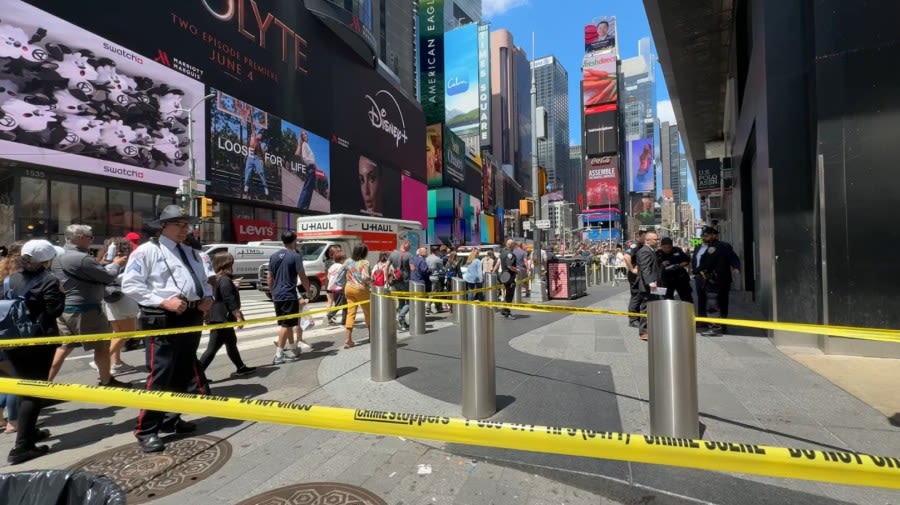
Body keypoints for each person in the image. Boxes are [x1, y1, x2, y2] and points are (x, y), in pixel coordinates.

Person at [122, 205, 214, 453]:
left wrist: (207, 298)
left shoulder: (192, 252)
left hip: (190, 315)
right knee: (161, 375)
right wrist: (162, 301)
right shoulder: (146, 251)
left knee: (182, 372)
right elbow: (130, 285)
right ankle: (146, 430)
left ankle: (171, 419)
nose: (185, 229)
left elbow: (203, 281)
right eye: (179, 224)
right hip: (163, 316)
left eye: (187, 225)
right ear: (164, 226)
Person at [2, 240, 65, 464]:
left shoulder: (11, 278)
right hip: (38, 341)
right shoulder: (49, 280)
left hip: (12, 339)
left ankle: (28, 432)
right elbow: (55, 310)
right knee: (34, 390)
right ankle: (22, 447)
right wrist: (60, 293)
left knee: (24, 387)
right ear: (47, 260)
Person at [49, 224, 130, 387]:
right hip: (86, 309)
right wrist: (116, 264)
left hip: (66, 308)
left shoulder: (59, 256)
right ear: (80, 238)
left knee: (64, 346)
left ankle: (44, 382)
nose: (91, 241)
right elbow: (107, 277)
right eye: (90, 237)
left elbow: (91, 273)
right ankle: (106, 380)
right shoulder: (81, 258)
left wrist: (104, 263)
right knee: (101, 346)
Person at [199, 252, 255, 378]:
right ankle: (196, 375)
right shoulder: (224, 279)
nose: (232, 266)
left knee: (230, 342)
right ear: (227, 264)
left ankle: (241, 367)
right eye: (231, 263)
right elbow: (228, 298)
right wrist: (238, 315)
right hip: (221, 318)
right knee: (212, 348)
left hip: (217, 316)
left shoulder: (216, 278)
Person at [96, 236, 140, 376]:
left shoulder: (104, 259)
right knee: (128, 332)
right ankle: (102, 360)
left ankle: (116, 362)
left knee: (118, 332)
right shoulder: (119, 260)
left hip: (112, 299)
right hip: (122, 298)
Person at [268, 231, 310, 365]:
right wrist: (308, 291)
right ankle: (279, 354)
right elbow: (302, 276)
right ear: (294, 241)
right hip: (289, 294)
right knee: (286, 325)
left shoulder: (273, 256)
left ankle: (292, 348)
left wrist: (272, 292)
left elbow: (269, 277)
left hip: (278, 295)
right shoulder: (295, 256)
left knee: (288, 323)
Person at [692, 226, 740, 336]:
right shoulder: (721, 246)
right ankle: (721, 326)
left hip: (714, 281)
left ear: (714, 235)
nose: (704, 238)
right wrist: (736, 268)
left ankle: (715, 328)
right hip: (720, 280)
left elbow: (706, 264)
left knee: (713, 304)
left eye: (706, 236)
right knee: (721, 303)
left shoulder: (715, 247)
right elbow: (733, 258)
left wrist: (695, 271)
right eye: (703, 236)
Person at [343, 245, 371, 349]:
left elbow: (341, 273)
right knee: (368, 312)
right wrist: (371, 281)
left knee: (350, 313)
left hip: (348, 288)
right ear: (364, 253)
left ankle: (347, 340)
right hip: (360, 289)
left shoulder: (348, 261)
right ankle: (372, 336)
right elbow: (365, 277)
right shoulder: (364, 262)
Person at [636, 231, 662, 341]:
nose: (657, 241)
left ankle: (650, 329)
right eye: (655, 239)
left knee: (652, 307)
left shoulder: (650, 250)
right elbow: (645, 268)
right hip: (648, 285)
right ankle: (644, 332)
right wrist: (650, 282)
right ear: (647, 240)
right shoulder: (644, 251)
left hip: (653, 284)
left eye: (657, 239)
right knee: (646, 308)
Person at [657, 237, 693, 303]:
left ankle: (689, 312)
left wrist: (679, 265)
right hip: (666, 280)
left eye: (669, 247)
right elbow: (655, 266)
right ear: (661, 246)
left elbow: (687, 260)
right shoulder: (658, 254)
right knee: (668, 300)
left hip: (680, 279)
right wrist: (662, 264)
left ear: (672, 246)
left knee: (686, 298)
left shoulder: (677, 250)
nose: (667, 249)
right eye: (664, 247)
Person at [623, 230, 646, 327]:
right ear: (639, 236)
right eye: (645, 236)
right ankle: (633, 320)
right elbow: (626, 256)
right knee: (636, 296)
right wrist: (632, 269)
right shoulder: (635, 246)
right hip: (635, 276)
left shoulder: (643, 246)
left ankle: (637, 317)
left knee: (640, 296)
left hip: (641, 275)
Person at [388, 240, 412, 331]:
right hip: (406, 281)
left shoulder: (393, 254)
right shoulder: (409, 255)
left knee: (401, 301)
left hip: (396, 281)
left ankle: (402, 323)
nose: (410, 247)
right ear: (405, 245)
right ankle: (401, 317)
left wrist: (387, 279)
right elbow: (413, 268)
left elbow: (386, 266)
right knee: (410, 302)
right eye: (409, 245)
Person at [243, 128, 270, 197]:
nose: (260, 135)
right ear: (257, 134)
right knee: (247, 172)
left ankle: (265, 188)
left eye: (261, 135)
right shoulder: (252, 137)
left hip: (258, 159)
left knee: (261, 173)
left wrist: (263, 160)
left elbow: (264, 153)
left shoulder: (263, 144)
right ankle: (246, 186)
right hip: (250, 157)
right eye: (260, 134)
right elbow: (252, 129)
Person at [296, 130, 318, 210]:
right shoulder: (304, 144)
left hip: (312, 169)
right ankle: (300, 207)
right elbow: (304, 158)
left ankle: (305, 207)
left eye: (305, 134)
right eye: (302, 135)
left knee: (309, 190)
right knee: (307, 189)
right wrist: (312, 164)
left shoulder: (307, 145)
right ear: (302, 137)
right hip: (311, 169)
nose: (304, 135)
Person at [499, 239, 520, 319]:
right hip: (509, 276)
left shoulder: (503, 253)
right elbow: (509, 266)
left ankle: (504, 310)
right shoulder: (510, 254)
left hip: (504, 275)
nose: (515, 246)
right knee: (509, 294)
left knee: (507, 293)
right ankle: (507, 312)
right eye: (514, 244)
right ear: (511, 245)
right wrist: (517, 270)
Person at [326, 251, 348, 327]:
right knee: (341, 304)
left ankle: (344, 320)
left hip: (331, 287)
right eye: (344, 259)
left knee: (336, 303)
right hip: (339, 288)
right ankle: (329, 315)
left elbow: (328, 276)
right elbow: (344, 277)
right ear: (341, 259)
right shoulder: (341, 266)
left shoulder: (332, 266)